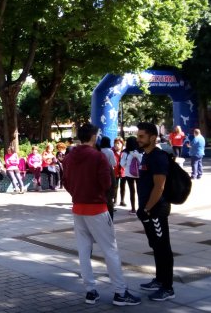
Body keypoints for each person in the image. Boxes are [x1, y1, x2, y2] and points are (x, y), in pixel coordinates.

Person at [62, 123, 141, 306]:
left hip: (78, 208)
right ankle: (120, 292)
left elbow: (65, 181)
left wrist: (76, 193)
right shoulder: (97, 157)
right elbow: (107, 183)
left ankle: (90, 291)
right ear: (93, 136)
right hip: (97, 208)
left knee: (83, 251)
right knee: (110, 250)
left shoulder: (69, 156)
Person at [135, 122, 175, 301]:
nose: (138, 139)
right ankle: (159, 280)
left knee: (163, 247)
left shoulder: (158, 157)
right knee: (155, 246)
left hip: (156, 210)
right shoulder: (146, 155)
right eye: (138, 136)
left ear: (153, 137)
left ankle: (167, 287)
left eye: (141, 136)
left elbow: (159, 187)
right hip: (148, 210)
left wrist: (147, 209)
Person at [120, 137, 142, 215]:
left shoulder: (126, 153)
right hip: (139, 173)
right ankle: (141, 208)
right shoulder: (140, 151)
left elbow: (122, 164)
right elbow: (142, 161)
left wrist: (127, 162)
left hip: (129, 174)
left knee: (132, 191)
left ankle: (133, 209)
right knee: (140, 191)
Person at [99, 136, 117, 219]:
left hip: (99, 173)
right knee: (109, 191)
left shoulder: (98, 151)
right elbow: (114, 163)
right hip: (109, 172)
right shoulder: (110, 151)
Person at [112, 138, 126, 207]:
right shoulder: (112, 151)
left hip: (123, 171)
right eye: (115, 143)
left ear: (122, 144)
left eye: (118, 143)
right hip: (115, 171)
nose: (116, 145)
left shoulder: (124, 152)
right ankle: (115, 200)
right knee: (115, 187)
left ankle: (122, 201)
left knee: (123, 187)